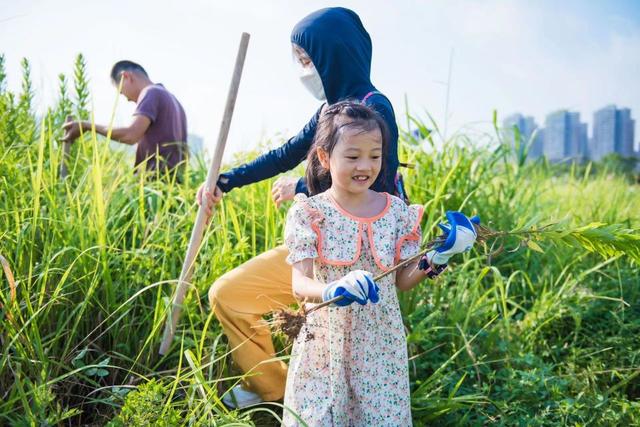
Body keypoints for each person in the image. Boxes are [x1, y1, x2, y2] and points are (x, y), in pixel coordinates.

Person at [198, 7, 403, 408]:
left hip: (356, 252)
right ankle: (272, 390)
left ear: (332, 55)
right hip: (321, 242)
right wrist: (226, 180)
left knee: (232, 296)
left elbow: (375, 182)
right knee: (229, 296)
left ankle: (278, 395)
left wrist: (303, 186)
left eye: (307, 60)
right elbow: (285, 153)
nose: (304, 71)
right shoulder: (330, 110)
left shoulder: (373, 107)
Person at [281, 101, 478, 426]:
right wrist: (332, 288)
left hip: (379, 344)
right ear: (324, 157)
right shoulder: (310, 213)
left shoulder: (396, 212)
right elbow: (299, 284)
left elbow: (402, 280)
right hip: (325, 345)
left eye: (375, 155)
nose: (365, 165)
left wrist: (439, 256)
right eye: (353, 155)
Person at [62, 60, 187, 173]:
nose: (126, 99)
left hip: (156, 186)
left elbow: (130, 135)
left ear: (126, 77)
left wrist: (87, 126)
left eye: (121, 92)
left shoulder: (150, 92)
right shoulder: (174, 101)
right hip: (174, 184)